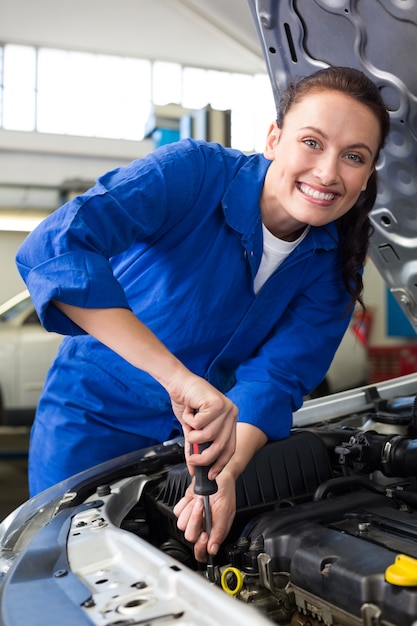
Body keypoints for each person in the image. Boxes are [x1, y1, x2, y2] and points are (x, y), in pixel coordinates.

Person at [16, 65, 389, 563]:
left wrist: (227, 472)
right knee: (61, 570)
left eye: (353, 157)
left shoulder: (333, 267)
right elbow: (57, 247)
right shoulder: (189, 173)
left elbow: (277, 378)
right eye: (312, 142)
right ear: (274, 138)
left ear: (366, 177)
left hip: (195, 450)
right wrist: (177, 379)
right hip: (90, 421)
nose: (327, 172)